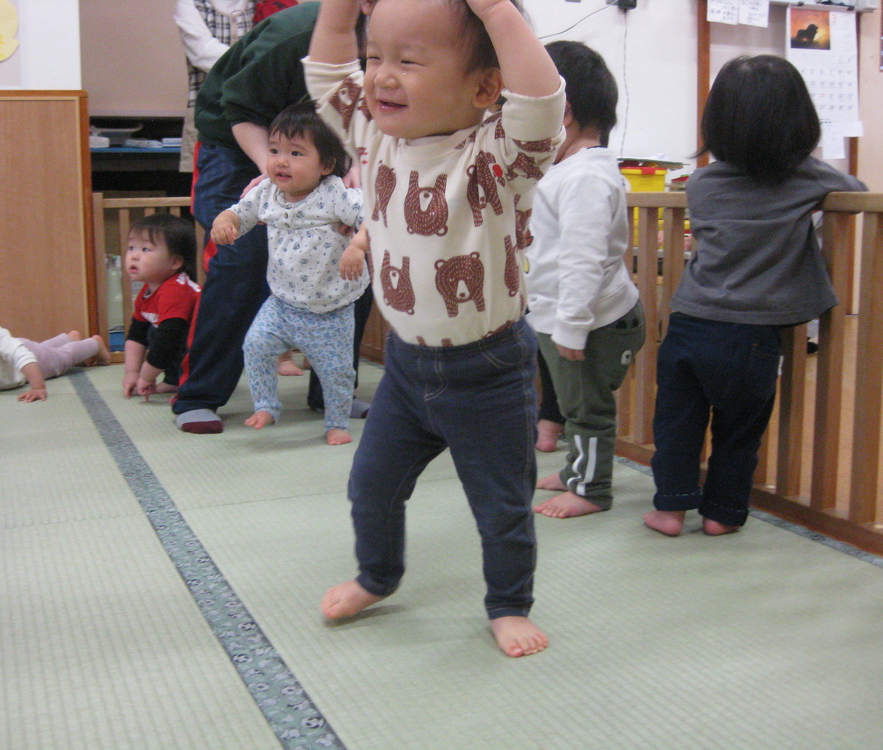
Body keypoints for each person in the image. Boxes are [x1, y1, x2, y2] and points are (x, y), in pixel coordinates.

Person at [305, 0, 565, 657]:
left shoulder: (494, 157)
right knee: (370, 486)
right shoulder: (373, 137)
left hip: (488, 373)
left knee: (502, 507)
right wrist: (341, 7)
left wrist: (497, 11)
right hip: (405, 369)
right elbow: (325, 67)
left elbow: (540, 102)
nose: (381, 76)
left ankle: (507, 605)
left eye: (408, 61)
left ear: (483, 87)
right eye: (376, 58)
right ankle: (378, 575)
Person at [644, 55, 867, 538]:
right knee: (740, 431)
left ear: (717, 124)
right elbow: (857, 189)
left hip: (689, 322)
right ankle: (722, 514)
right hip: (752, 336)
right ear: (800, 124)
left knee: (677, 424)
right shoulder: (808, 179)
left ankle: (669, 509)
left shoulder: (702, 183)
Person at [174, 0, 374, 435]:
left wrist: (351, 181)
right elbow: (240, 111)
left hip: (329, 152)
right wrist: (276, 172)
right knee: (240, 259)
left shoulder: (416, 45)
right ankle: (200, 394)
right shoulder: (295, 37)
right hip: (244, 136)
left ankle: (333, 392)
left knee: (353, 258)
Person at [527, 41, 645, 520]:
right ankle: (578, 470)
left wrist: (572, 324)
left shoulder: (585, 178)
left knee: (588, 409)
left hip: (593, 320)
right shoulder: (563, 172)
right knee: (575, 404)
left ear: (563, 114)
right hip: (568, 317)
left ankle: (592, 489)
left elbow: (584, 257)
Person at [210, 102, 367, 444]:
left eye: (296, 153)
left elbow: (375, 218)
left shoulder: (336, 194)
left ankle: (337, 422)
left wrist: (357, 246)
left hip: (331, 310)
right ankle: (267, 404)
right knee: (254, 346)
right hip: (281, 303)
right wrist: (225, 222)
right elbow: (239, 213)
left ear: (326, 164)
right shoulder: (267, 192)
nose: (281, 161)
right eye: (275, 150)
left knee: (337, 372)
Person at [0, 285, 110, 401]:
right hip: (28, 351)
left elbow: (22, 356)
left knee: (60, 359)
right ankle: (69, 338)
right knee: (45, 350)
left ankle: (94, 344)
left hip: (26, 361)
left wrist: (38, 387)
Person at [123, 213, 202, 401]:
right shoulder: (147, 290)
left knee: (164, 334)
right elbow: (137, 333)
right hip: (183, 339)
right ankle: (175, 379)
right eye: (131, 247)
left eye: (145, 249)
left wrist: (146, 377)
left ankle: (189, 380)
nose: (134, 256)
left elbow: (169, 340)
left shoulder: (175, 290)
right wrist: (132, 372)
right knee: (152, 331)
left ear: (175, 262)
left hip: (208, 343)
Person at [174, 0, 253, 173]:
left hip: (256, 115)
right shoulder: (192, 3)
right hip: (208, 113)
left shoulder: (262, 4)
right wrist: (256, 64)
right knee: (208, 185)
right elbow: (202, 52)